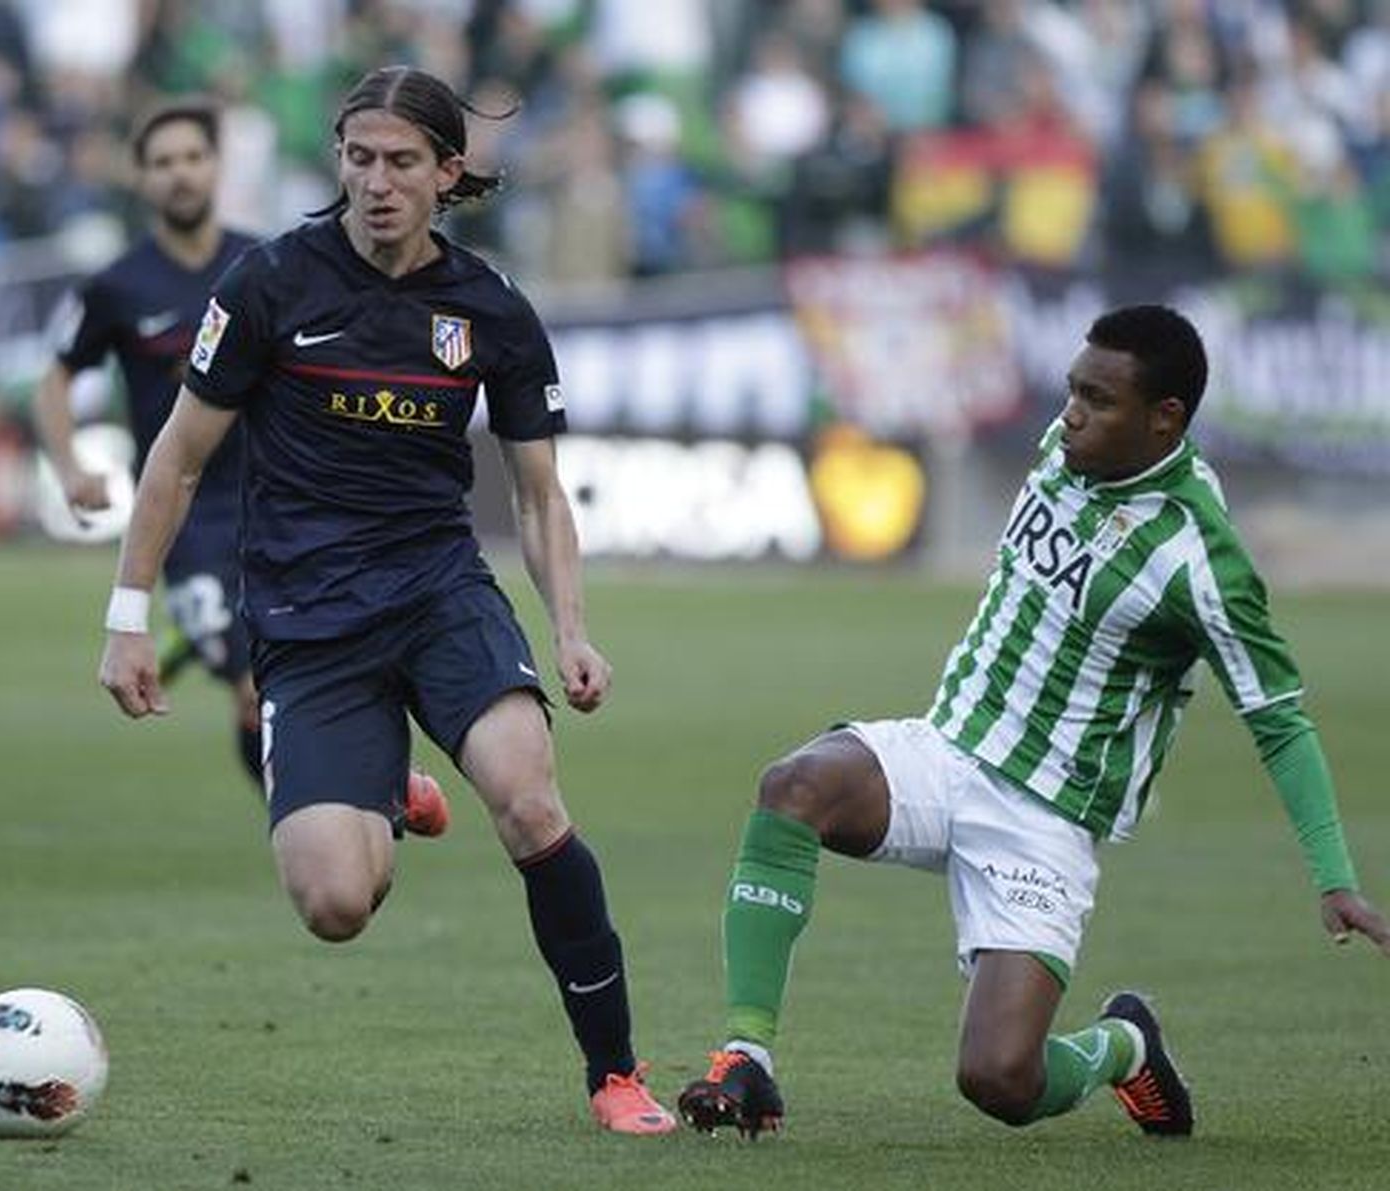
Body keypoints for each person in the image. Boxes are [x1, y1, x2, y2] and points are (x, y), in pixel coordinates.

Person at [96, 65, 674, 1135]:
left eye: (401, 162)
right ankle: (382, 785)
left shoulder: (490, 310)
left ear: (448, 172)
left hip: (438, 593)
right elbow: (175, 462)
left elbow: (541, 498)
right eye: (357, 159)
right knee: (333, 907)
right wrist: (128, 620)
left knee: (529, 799)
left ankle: (616, 1073)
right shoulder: (269, 285)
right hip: (309, 624)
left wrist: (572, 630)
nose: (375, 183)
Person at [677, 304, 1390, 1139]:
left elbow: (1280, 721)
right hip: (947, 750)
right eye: (1072, 389)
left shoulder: (1198, 561)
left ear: (1166, 419)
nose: (1072, 414)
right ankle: (747, 1056)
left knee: (1000, 1078)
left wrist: (1334, 876)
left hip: (1043, 818)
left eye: (1099, 399)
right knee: (794, 785)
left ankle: (1125, 1046)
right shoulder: (1065, 446)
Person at [35, 96, 448, 834]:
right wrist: (68, 465)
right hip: (189, 522)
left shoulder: (270, 266)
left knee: (311, 663)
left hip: (283, 503)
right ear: (142, 179)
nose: (180, 175)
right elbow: (56, 374)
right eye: (163, 163)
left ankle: (357, 797)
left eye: (193, 158)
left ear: (217, 168)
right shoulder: (118, 286)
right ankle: (332, 822)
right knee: (251, 684)